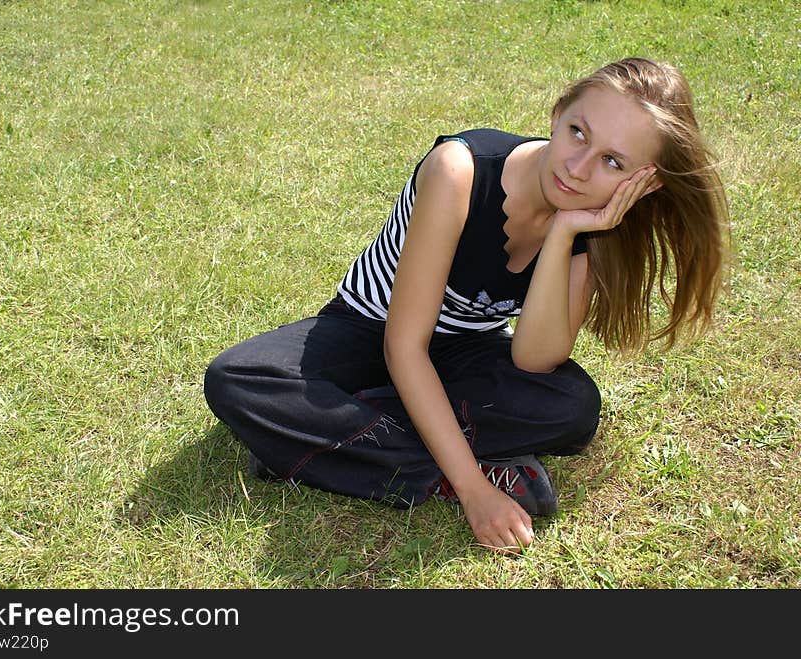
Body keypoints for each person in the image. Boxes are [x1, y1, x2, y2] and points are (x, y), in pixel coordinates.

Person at [204, 58, 727, 555]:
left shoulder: (595, 226)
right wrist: (474, 490)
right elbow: (404, 346)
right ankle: (422, 463)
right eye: (578, 133)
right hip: (370, 328)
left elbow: (534, 360)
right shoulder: (460, 171)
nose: (578, 166)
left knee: (573, 407)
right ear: (557, 113)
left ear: (644, 184)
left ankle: (325, 437)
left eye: (612, 161)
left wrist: (567, 232)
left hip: (464, 349)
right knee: (238, 379)